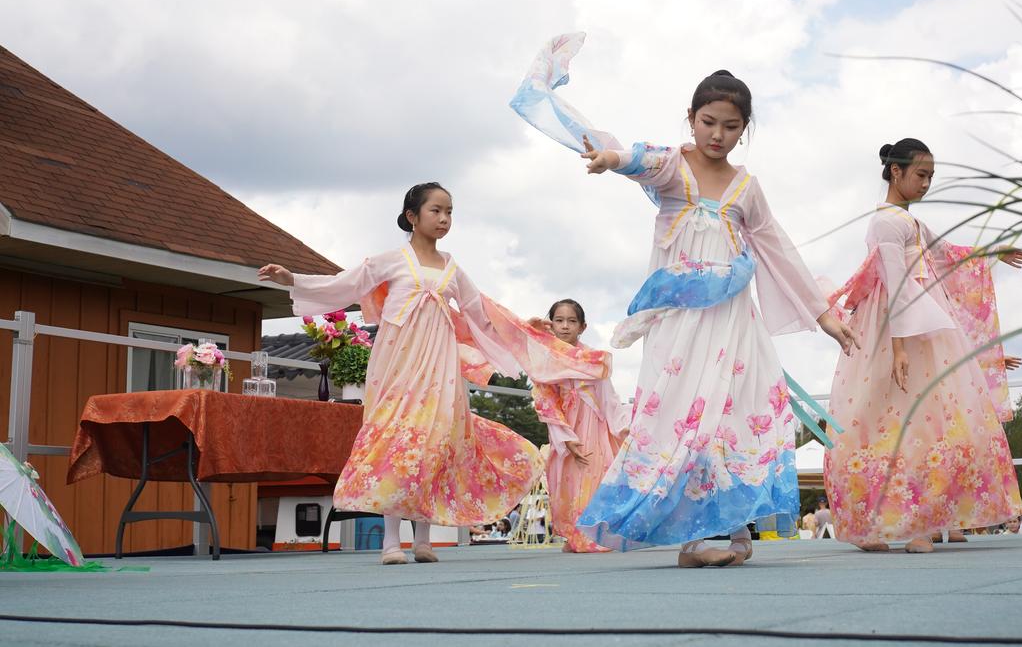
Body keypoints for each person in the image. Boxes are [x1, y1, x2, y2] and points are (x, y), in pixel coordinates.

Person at [562, 68, 858, 568]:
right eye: (708, 122)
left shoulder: (746, 187)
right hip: (680, 319)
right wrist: (609, 160)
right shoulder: (671, 165)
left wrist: (824, 314)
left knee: (732, 412)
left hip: (732, 317)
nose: (718, 134)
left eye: (731, 126)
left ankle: (731, 524)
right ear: (691, 118)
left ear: (745, 128)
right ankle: (692, 541)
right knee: (684, 412)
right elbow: (633, 159)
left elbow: (777, 249)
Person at [258, 182, 546, 566]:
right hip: (398, 363)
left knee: (432, 444)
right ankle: (391, 542)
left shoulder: (452, 269)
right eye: (435, 210)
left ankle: (423, 540)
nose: (444, 219)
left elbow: (481, 314)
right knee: (396, 444)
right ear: (412, 216)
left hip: (440, 366)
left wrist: (523, 327)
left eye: (449, 212)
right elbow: (346, 284)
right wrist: (292, 278)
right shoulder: (391, 261)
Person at [823, 138, 1022, 554]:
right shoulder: (886, 223)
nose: (926, 183)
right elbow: (896, 285)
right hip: (895, 325)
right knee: (892, 414)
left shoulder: (909, 222)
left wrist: (993, 251)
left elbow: (947, 254)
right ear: (895, 172)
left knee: (927, 417)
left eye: (931, 176)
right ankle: (884, 525)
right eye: (920, 174)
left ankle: (925, 520)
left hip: (923, 320)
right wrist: (899, 347)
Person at [520, 298, 629, 553]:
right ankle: (574, 534)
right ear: (551, 324)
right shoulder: (545, 360)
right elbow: (546, 401)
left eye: (572, 321)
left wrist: (624, 427)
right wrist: (564, 436)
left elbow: (609, 398)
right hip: (565, 427)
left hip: (593, 426)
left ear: (583, 326)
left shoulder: (592, 360)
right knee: (566, 481)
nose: (565, 326)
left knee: (593, 475)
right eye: (559, 320)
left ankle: (593, 535)